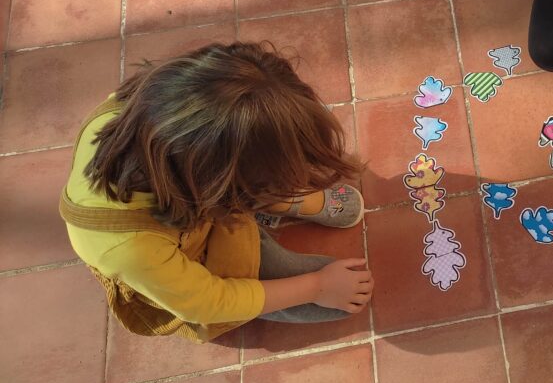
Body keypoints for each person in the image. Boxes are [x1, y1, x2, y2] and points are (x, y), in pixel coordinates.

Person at [59, 42, 372, 342]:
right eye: (267, 185)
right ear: (219, 188)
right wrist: (316, 287)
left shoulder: (160, 108)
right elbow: (208, 303)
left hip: (194, 200)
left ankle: (268, 202)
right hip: (190, 256)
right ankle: (267, 212)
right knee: (323, 289)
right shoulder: (130, 249)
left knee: (261, 150)